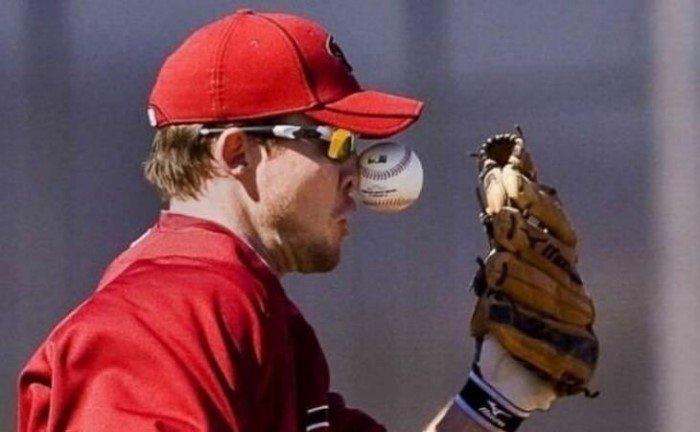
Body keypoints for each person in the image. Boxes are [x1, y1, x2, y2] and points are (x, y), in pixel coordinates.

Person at [18, 9, 596, 432]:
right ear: (237, 153)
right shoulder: (163, 317)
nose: (356, 173)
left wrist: (496, 394)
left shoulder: (249, 314)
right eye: (336, 141)